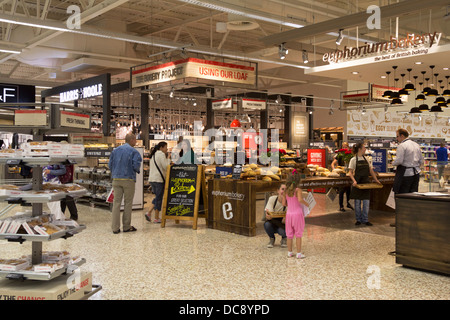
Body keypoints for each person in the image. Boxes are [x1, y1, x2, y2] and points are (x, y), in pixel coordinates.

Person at [108, 133, 142, 234]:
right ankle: (126, 226)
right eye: (135, 139)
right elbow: (136, 166)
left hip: (116, 179)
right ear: (131, 140)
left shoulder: (115, 150)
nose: (135, 142)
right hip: (128, 179)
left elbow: (110, 165)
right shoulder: (134, 152)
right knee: (128, 203)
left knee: (116, 203)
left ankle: (115, 228)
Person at [348, 142, 381, 226]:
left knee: (366, 203)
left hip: (366, 183)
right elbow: (350, 173)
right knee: (357, 203)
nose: (365, 149)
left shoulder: (366, 159)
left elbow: (371, 171)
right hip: (358, 184)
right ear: (359, 149)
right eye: (364, 148)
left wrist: (376, 180)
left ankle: (365, 219)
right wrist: (354, 181)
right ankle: (358, 219)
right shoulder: (353, 160)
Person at [281, 171, 308, 259]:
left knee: (289, 234)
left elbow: (284, 203)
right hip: (297, 214)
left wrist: (290, 203)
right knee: (298, 234)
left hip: (289, 214)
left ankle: (289, 252)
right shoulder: (298, 190)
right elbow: (300, 200)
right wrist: (306, 203)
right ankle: (299, 253)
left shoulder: (286, 191)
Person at [392, 128, 423, 194]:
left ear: (402, 136)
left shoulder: (402, 145)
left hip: (405, 174)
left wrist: (393, 163)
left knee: (403, 194)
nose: (397, 139)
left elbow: (399, 161)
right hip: (416, 173)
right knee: (413, 194)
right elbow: (421, 160)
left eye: (397, 136)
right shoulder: (416, 145)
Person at [146, 141, 170, 223]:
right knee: (159, 198)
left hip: (152, 179)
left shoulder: (153, 155)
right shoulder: (161, 154)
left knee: (157, 196)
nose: (167, 149)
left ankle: (149, 213)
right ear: (161, 148)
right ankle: (156, 217)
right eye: (166, 147)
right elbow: (166, 166)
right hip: (158, 180)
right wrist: (168, 158)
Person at [262, 183, 287, 248]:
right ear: (278, 190)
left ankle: (284, 238)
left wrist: (287, 220)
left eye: (286, 190)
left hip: (282, 223)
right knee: (267, 224)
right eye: (282, 189)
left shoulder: (289, 202)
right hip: (273, 221)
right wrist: (268, 216)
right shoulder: (272, 199)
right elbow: (268, 212)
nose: (284, 192)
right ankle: (272, 239)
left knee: (283, 232)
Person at [331, 142, 353, 212]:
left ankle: (348, 203)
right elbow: (332, 164)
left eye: (345, 146)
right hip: (341, 173)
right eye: (343, 147)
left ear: (348, 147)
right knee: (341, 190)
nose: (344, 148)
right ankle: (341, 206)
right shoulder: (339, 155)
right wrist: (335, 170)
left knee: (349, 189)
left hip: (348, 173)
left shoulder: (350, 154)